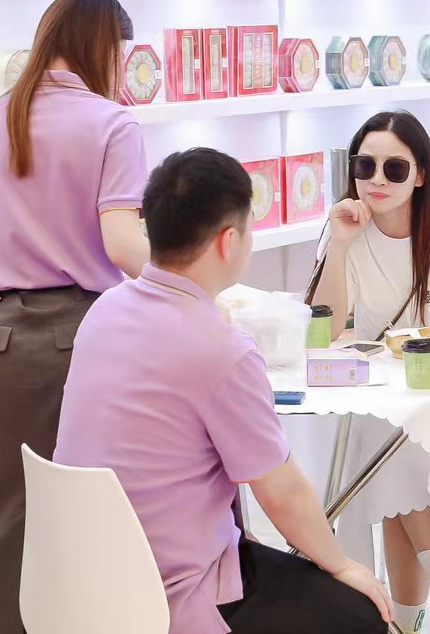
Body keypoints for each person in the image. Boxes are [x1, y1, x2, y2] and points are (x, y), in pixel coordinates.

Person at [56, 148, 392, 634]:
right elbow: (282, 493)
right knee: (362, 613)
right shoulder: (221, 348)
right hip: (170, 589)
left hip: (82, 573)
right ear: (229, 241)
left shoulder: (104, 310)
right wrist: (343, 565)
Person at [0, 0, 151, 634]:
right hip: (81, 333)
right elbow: (123, 244)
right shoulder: (112, 124)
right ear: (103, 48)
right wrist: (190, 282)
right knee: (94, 508)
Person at [306, 111, 430, 634]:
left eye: (394, 169)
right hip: (387, 401)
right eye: (365, 166)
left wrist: (405, 399)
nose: (376, 179)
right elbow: (326, 329)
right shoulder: (346, 230)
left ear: (420, 175)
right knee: (390, 456)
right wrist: (340, 245)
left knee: (393, 460)